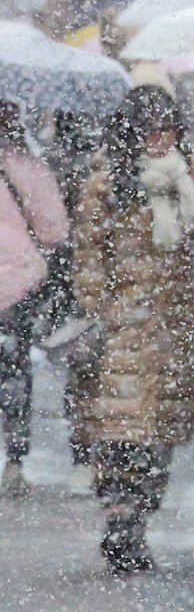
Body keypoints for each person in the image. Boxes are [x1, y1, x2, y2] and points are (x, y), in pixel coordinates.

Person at [69, 87, 194, 571]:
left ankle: (137, 519)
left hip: (172, 332)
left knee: (160, 436)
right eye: (150, 128)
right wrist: (105, 312)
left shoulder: (186, 181)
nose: (160, 138)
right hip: (121, 333)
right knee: (118, 434)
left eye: (169, 128)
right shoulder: (106, 184)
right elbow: (88, 258)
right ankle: (120, 520)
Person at [0, 100, 69, 496]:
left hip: (15, 282)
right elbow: (54, 230)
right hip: (17, 285)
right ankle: (14, 457)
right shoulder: (28, 168)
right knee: (13, 370)